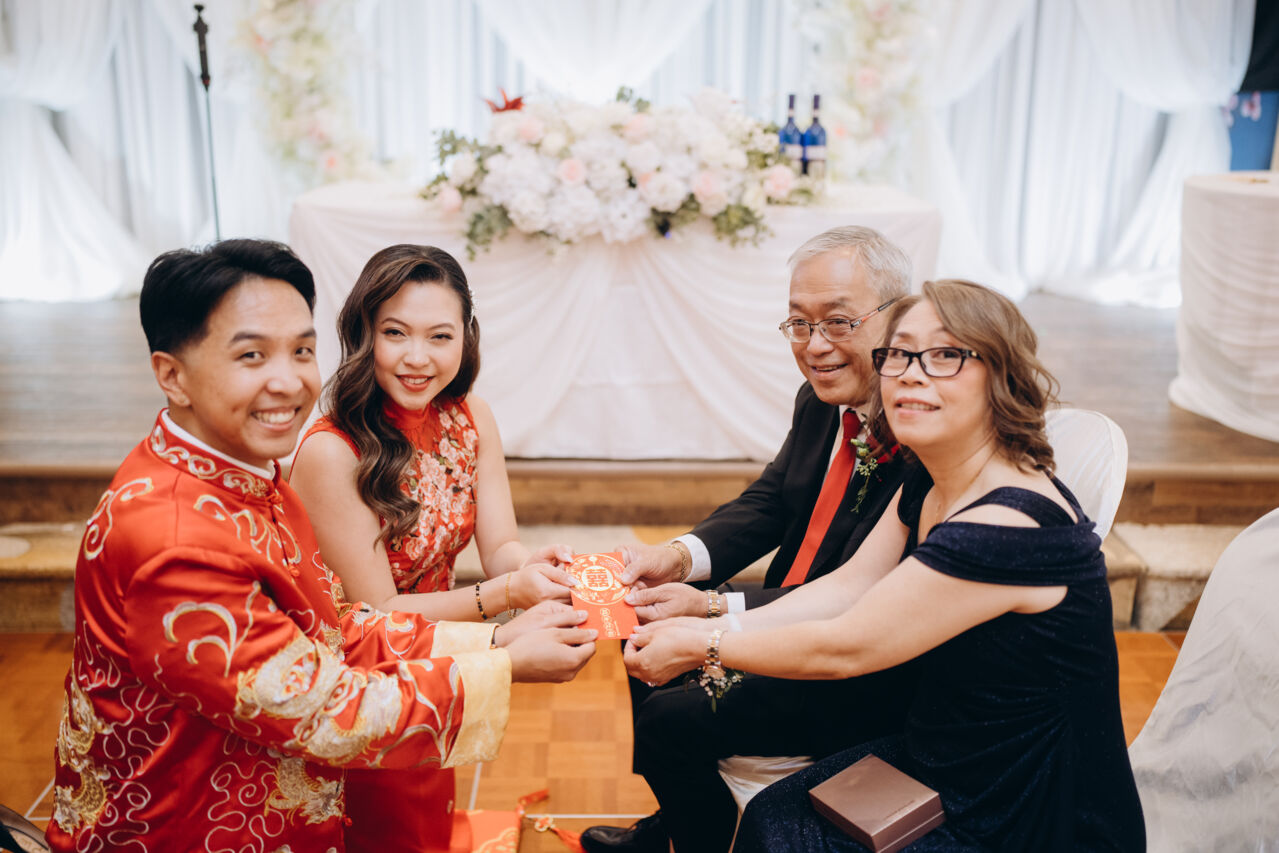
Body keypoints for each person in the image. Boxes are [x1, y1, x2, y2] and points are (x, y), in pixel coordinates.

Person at [47, 239, 596, 852]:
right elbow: (323, 709)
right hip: (188, 826)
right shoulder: (174, 541)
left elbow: (335, 626)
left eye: (301, 351)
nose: (288, 382)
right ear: (172, 375)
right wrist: (503, 663)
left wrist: (496, 640)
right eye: (251, 355)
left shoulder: (251, 481)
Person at [626, 279, 1146, 852]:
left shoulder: (1008, 528)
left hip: (1027, 797)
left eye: (944, 355)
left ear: (1002, 376)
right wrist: (710, 620)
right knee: (772, 817)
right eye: (898, 354)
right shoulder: (932, 476)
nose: (911, 374)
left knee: (780, 835)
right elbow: (851, 585)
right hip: (944, 743)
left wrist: (705, 643)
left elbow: (846, 646)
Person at [581, 226, 921, 853]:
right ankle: (683, 814)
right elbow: (769, 500)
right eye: (799, 324)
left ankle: (701, 834)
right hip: (784, 611)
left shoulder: (921, 433)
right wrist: (676, 559)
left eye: (838, 322)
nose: (815, 346)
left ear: (898, 318)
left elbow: (860, 598)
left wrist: (712, 610)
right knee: (642, 617)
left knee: (669, 719)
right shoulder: (820, 401)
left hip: (854, 667)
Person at [289, 243, 579, 852]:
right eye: (395, 333)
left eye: (440, 336)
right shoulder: (331, 452)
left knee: (426, 822)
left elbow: (501, 545)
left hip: (438, 657)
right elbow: (379, 612)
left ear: (465, 338)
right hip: (362, 679)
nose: (418, 358)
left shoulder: (469, 416)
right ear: (364, 333)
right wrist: (507, 594)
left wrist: (537, 569)